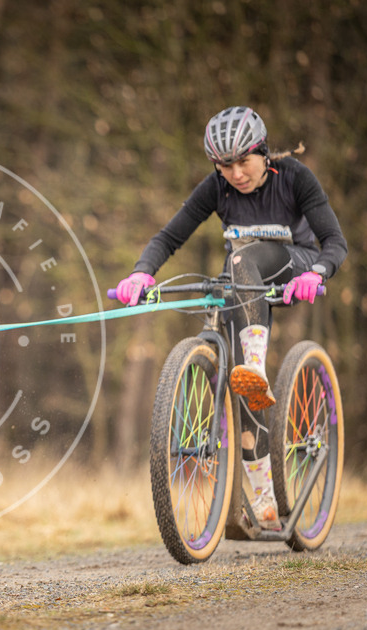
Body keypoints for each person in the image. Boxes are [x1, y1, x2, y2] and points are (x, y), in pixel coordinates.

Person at [114, 106, 348, 530]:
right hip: (243, 283)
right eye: (225, 165)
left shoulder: (294, 177)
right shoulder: (216, 188)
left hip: (294, 266)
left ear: (263, 153)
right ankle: (262, 498)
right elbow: (170, 236)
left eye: (243, 161)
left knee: (241, 262)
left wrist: (317, 272)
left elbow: (334, 241)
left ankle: (252, 366)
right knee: (243, 383)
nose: (235, 173)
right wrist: (140, 273)